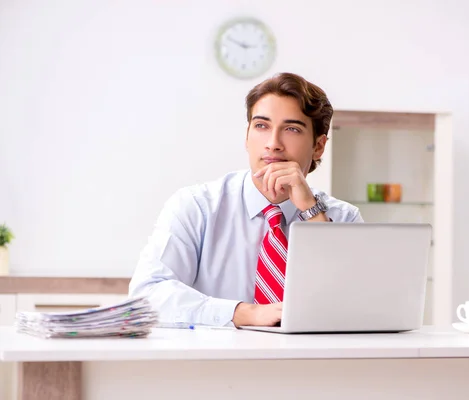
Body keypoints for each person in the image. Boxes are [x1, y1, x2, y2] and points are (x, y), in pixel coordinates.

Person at [128, 72, 363, 328]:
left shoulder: (342, 219)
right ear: (247, 136)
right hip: (217, 365)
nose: (273, 144)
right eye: (261, 126)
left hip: (314, 364)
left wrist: (312, 212)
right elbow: (147, 296)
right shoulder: (196, 206)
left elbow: (357, 303)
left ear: (318, 146)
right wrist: (245, 313)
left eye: (292, 129)